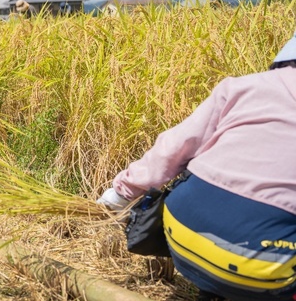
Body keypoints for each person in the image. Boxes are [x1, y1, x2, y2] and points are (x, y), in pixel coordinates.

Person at [97, 34, 296, 301]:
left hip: (180, 231)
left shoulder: (242, 87)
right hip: (263, 263)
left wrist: (121, 193)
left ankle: (215, 290)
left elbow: (172, 148)